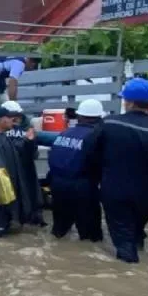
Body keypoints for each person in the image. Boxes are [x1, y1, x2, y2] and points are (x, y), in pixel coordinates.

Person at [84, 78, 148, 263]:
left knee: (123, 240)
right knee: (136, 230)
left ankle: (129, 275)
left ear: (130, 102)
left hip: (116, 192)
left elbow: (89, 151)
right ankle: (139, 250)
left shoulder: (109, 124)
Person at [48, 99, 105, 242]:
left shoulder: (64, 134)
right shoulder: (97, 136)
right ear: (99, 118)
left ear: (79, 116)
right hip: (83, 187)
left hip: (58, 186)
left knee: (59, 232)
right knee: (90, 238)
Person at [0, 107, 42, 236]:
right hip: (0, 199)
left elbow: (20, 153)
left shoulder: (2, 137)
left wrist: (28, 141)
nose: (11, 120)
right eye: (8, 117)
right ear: (0, 120)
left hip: (8, 194)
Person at [2, 101, 45, 226]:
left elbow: (33, 151)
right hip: (12, 169)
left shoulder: (27, 128)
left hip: (24, 168)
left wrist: (29, 142)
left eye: (17, 115)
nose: (16, 118)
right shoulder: (0, 131)